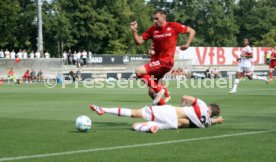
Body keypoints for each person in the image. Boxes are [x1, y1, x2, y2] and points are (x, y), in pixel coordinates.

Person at [130, 9, 196, 105]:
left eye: (156, 18)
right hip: (157, 63)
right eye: (154, 19)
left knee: (138, 71)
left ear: (163, 17)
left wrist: (187, 44)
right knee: (152, 92)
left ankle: (160, 89)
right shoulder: (152, 30)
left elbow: (192, 31)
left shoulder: (173, 26)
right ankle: (165, 111)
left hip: (166, 61)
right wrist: (134, 31)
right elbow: (139, 42)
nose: (154, 21)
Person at [90, 95, 223, 133]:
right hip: (172, 125)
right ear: (211, 115)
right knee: (135, 126)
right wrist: (218, 120)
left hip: (169, 112)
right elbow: (212, 122)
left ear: (209, 108)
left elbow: (185, 97)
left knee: (134, 113)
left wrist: (183, 106)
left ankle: (104, 110)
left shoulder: (203, 105)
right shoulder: (206, 123)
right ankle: (149, 128)